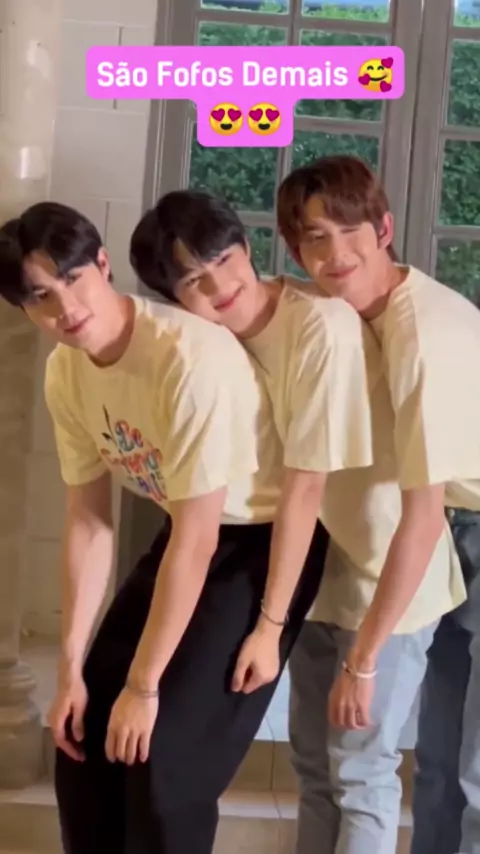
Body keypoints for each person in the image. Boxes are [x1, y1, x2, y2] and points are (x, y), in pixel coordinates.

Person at [129, 188, 464, 854]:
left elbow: (304, 488)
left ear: (247, 248)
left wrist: (272, 626)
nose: (218, 287)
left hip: (386, 575)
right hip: (318, 574)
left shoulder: (319, 327)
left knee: (362, 773)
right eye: (192, 282)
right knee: (315, 767)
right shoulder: (216, 343)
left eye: (223, 261)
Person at [0, 201, 331, 854]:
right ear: (23, 309)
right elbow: (90, 521)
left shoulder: (187, 358)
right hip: (184, 534)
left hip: (257, 544)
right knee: (83, 738)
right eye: (41, 297)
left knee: (164, 758)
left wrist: (144, 684)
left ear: (102, 264)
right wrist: (70, 668)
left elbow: (201, 539)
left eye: (73, 278)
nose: (66, 307)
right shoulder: (66, 372)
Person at [277, 153, 480, 854]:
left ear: (385, 229)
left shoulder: (424, 338)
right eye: (314, 237)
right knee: (425, 762)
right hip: (443, 519)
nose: (335, 254)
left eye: (349, 231)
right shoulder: (344, 314)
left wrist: (362, 660)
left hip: (454, 522)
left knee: (468, 768)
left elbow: (421, 517)